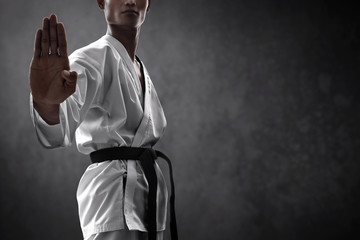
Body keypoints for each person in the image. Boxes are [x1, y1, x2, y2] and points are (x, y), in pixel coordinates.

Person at [29, 1, 177, 240]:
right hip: (111, 198)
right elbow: (58, 128)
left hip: (149, 196)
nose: (129, 0)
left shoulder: (139, 67)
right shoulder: (90, 59)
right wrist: (47, 102)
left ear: (149, 3)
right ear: (101, 1)